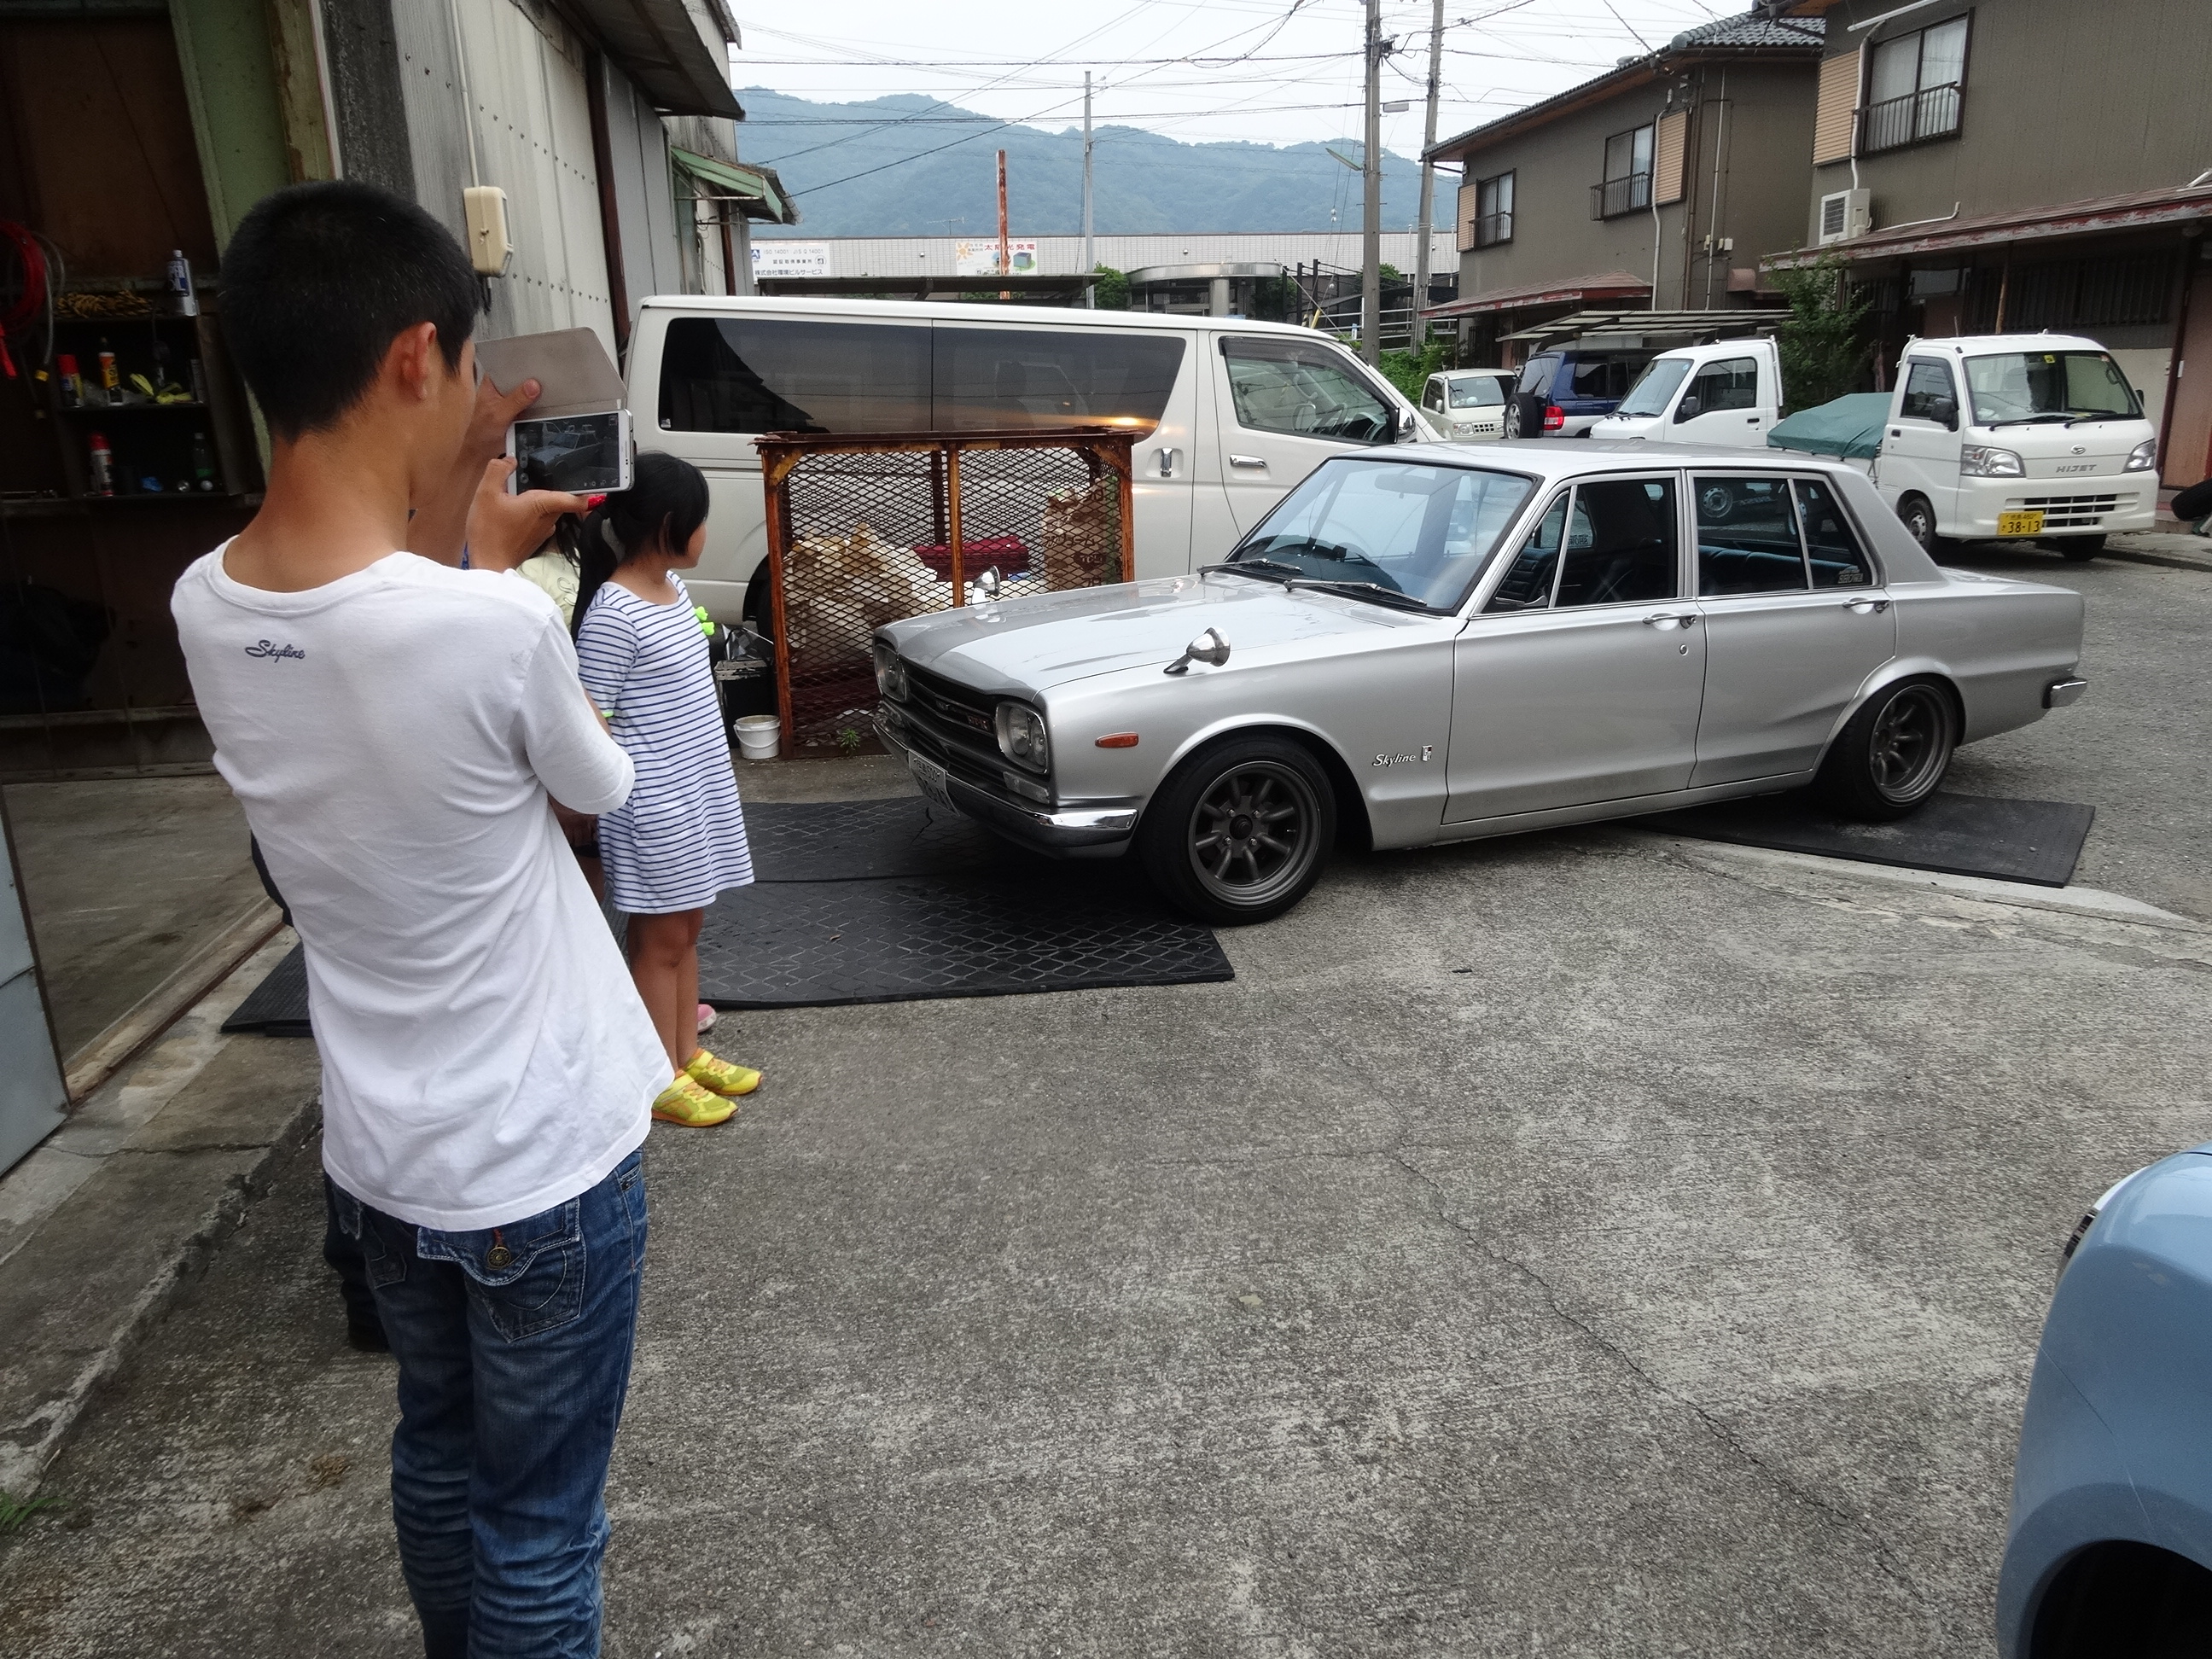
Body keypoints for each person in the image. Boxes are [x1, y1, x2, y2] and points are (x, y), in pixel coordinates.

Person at [171, 179, 667, 1658]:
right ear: (412, 357)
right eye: (460, 366)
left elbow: (371, 644)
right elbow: (602, 784)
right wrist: (496, 570)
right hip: (540, 1159)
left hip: (384, 1160)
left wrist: (460, 532)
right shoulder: (493, 622)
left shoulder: (204, 604)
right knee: (540, 1520)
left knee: (442, 1455)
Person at [569, 455, 761, 1126]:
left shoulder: (673, 588)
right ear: (671, 524)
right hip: (652, 803)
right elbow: (590, 714)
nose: (707, 531)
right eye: (702, 519)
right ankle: (659, 1076)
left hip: (697, 789)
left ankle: (686, 1052)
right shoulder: (613, 612)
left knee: (688, 926)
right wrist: (591, 806)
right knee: (661, 940)